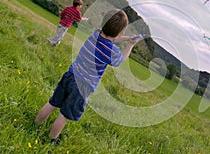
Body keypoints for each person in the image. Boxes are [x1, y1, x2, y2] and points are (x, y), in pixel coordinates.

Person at [35, 9, 140, 144]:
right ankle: (51, 139)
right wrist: (130, 44)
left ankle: (35, 124)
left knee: (52, 103)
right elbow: (121, 59)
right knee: (64, 115)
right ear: (120, 32)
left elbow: (110, 35)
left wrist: (125, 38)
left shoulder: (95, 34)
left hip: (70, 75)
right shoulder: (111, 51)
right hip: (82, 86)